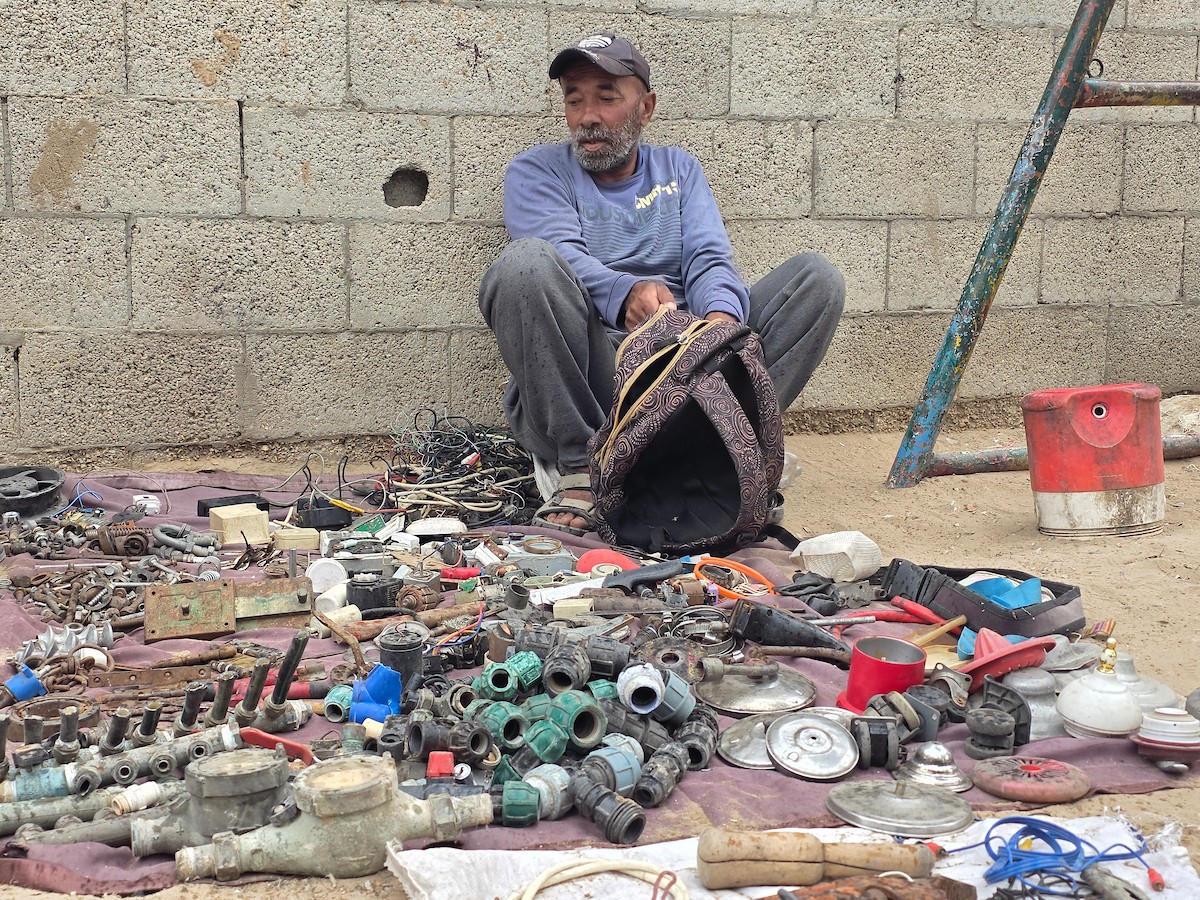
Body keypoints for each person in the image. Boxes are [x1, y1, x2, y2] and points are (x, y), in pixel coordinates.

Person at [478, 33, 844, 536]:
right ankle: (583, 470)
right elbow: (562, 253)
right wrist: (624, 293)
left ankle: (721, 448)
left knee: (816, 280)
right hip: (598, 376)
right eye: (574, 98)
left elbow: (709, 257)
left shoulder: (678, 169)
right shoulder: (537, 172)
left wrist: (719, 324)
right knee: (524, 265)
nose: (588, 116)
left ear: (645, 107)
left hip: (689, 366)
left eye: (607, 97)